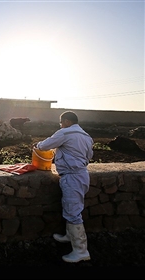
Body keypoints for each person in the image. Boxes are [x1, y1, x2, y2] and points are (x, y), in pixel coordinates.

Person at [33, 111, 93, 263]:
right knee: (71, 207)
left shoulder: (66, 132)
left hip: (72, 177)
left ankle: (81, 251)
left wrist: (37, 145)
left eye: (61, 122)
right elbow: (88, 156)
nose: (60, 125)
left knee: (73, 212)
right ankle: (69, 235)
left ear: (66, 121)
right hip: (82, 175)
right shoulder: (86, 136)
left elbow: (46, 145)